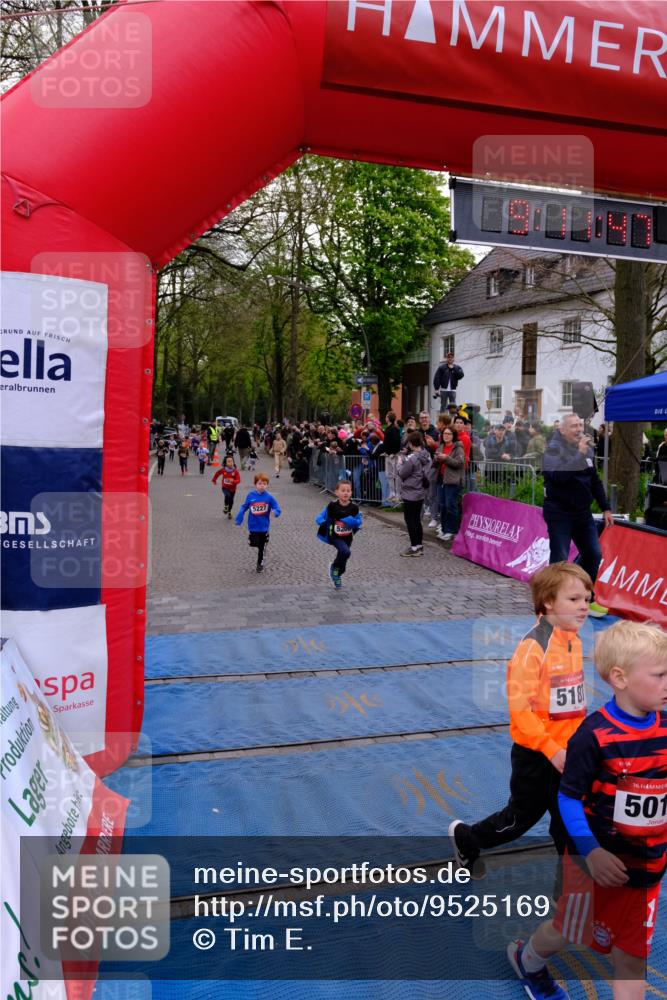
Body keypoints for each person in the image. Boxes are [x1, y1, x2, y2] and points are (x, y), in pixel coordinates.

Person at [507, 620, 667, 1000]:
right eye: (659, 675)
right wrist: (591, 852)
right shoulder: (593, 736)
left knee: (631, 960)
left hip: (646, 869)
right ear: (620, 678)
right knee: (568, 929)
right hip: (591, 864)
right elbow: (568, 798)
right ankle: (528, 960)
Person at [449, 562, 593, 879]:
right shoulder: (532, 648)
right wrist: (551, 749)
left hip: (568, 752)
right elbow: (521, 711)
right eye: (574, 599)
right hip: (537, 756)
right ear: (548, 603)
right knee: (519, 818)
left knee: (568, 820)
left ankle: (569, 886)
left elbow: (570, 700)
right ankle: (467, 838)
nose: (584, 606)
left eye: (587, 598)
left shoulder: (573, 639)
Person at [542, 412, 614, 616]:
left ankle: (585, 598)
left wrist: (606, 507)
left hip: (582, 514)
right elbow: (557, 477)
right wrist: (579, 455)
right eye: (574, 426)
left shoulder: (587, 450)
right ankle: (553, 601)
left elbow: (594, 481)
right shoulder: (552, 449)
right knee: (560, 560)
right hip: (559, 513)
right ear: (562, 430)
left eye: (580, 425)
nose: (579, 429)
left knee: (593, 554)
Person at [315, 479, 363, 590]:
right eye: (343, 490)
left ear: (351, 493)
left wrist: (353, 522)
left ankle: (337, 573)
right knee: (345, 551)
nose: (346, 493)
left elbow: (359, 521)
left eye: (348, 491)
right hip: (335, 536)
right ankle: (334, 568)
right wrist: (322, 521)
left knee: (344, 557)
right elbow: (320, 516)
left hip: (348, 537)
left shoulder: (354, 508)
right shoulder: (332, 506)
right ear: (337, 492)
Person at [235, 472, 281, 572]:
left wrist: (276, 512)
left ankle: (260, 563)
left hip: (264, 526)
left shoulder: (269, 497)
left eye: (264, 484)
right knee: (254, 543)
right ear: (255, 484)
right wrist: (240, 516)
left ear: (267, 485)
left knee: (262, 547)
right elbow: (244, 506)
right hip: (253, 526)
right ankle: (251, 540)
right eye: (260, 483)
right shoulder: (251, 496)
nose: (262, 486)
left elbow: (277, 507)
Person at [398, 431, 431, 557]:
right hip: (420, 490)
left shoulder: (411, 458)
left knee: (410, 519)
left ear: (411, 444)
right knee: (417, 519)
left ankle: (414, 547)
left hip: (410, 491)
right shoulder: (426, 455)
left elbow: (402, 473)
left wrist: (400, 464)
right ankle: (419, 545)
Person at [434, 425, 465, 541]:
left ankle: (452, 530)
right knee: (442, 505)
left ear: (453, 435)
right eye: (444, 434)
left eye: (449, 434)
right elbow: (435, 464)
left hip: (452, 480)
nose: (446, 436)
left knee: (450, 506)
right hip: (441, 479)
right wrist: (436, 459)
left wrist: (446, 458)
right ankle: (444, 529)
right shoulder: (441, 446)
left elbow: (459, 464)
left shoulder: (458, 448)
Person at [212, 454, 241, 518]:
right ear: (226, 463)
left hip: (233, 489)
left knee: (231, 501)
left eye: (232, 461)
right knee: (227, 495)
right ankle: (226, 507)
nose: (231, 463)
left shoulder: (235, 471)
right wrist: (214, 480)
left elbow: (238, 480)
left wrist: (233, 481)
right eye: (229, 461)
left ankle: (229, 511)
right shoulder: (223, 470)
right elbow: (217, 473)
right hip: (225, 487)